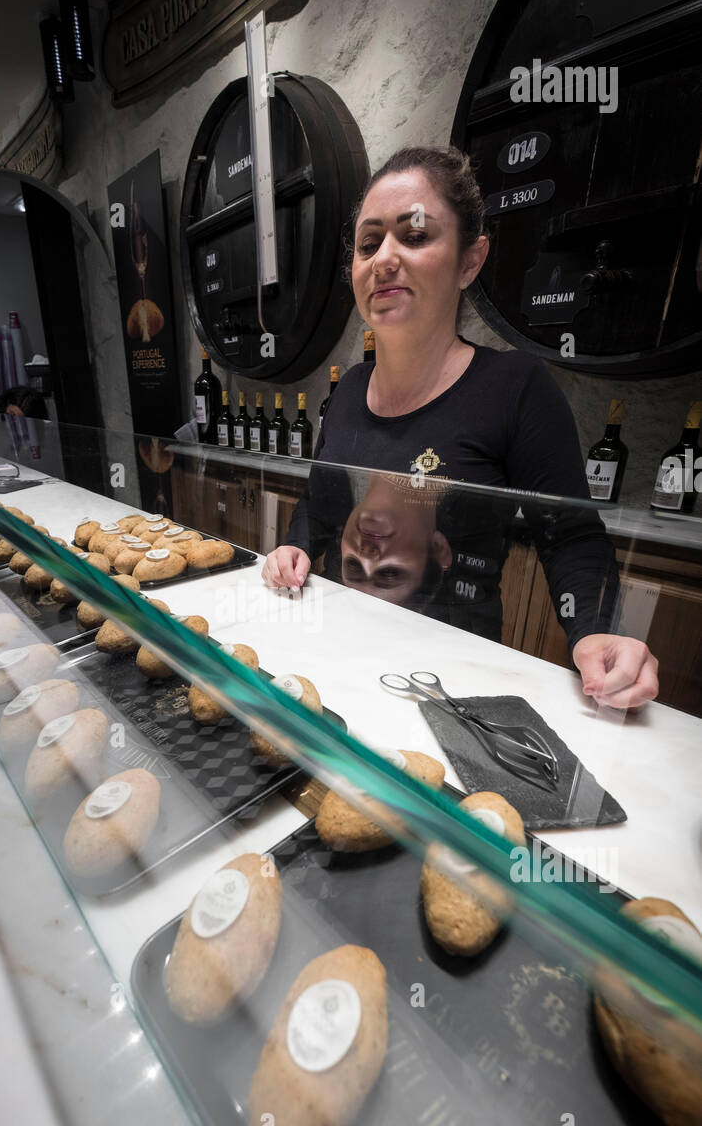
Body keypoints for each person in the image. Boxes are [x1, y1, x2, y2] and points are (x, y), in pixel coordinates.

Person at [262, 147, 658, 711]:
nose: (384, 259)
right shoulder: (349, 389)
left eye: (416, 236)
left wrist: (592, 632)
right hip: (332, 655)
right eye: (369, 243)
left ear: (470, 262)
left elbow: (570, 535)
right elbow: (320, 505)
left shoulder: (514, 386)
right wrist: (295, 547)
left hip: (445, 684)